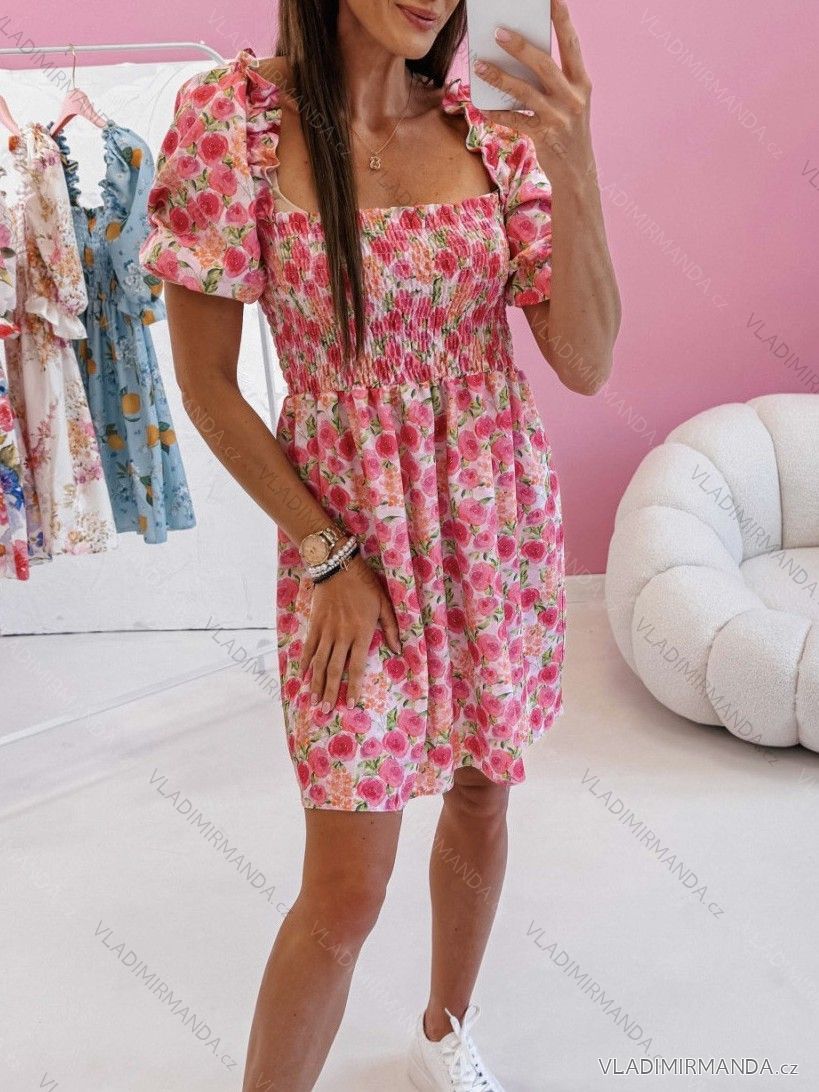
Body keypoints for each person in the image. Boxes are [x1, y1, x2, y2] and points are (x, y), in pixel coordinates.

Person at [138, 1, 620, 1087]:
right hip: (348, 552)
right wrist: (328, 555)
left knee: (483, 791)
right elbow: (207, 385)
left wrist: (575, 161)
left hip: (492, 532)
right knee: (346, 891)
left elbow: (586, 364)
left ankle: (445, 1033)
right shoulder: (233, 123)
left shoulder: (491, 134)